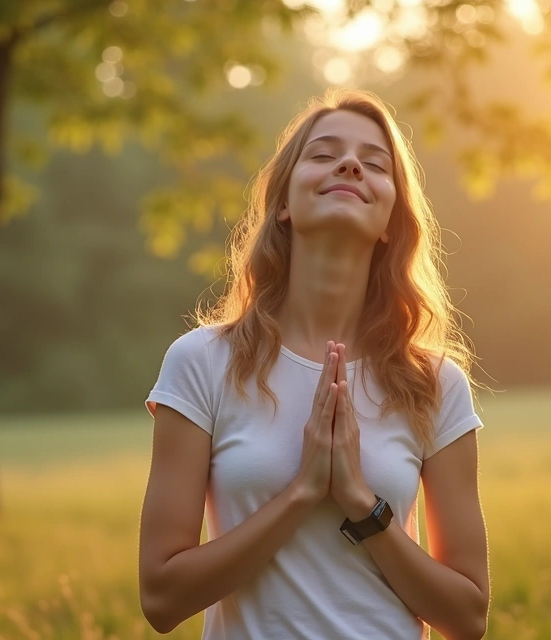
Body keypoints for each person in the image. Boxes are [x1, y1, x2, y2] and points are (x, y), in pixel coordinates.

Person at [138, 88, 489, 640]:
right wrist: (303, 492)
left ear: (390, 220)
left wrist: (360, 503)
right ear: (284, 202)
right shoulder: (202, 363)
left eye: (375, 164)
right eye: (324, 154)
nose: (349, 165)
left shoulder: (435, 383)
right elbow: (161, 599)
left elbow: (467, 617)